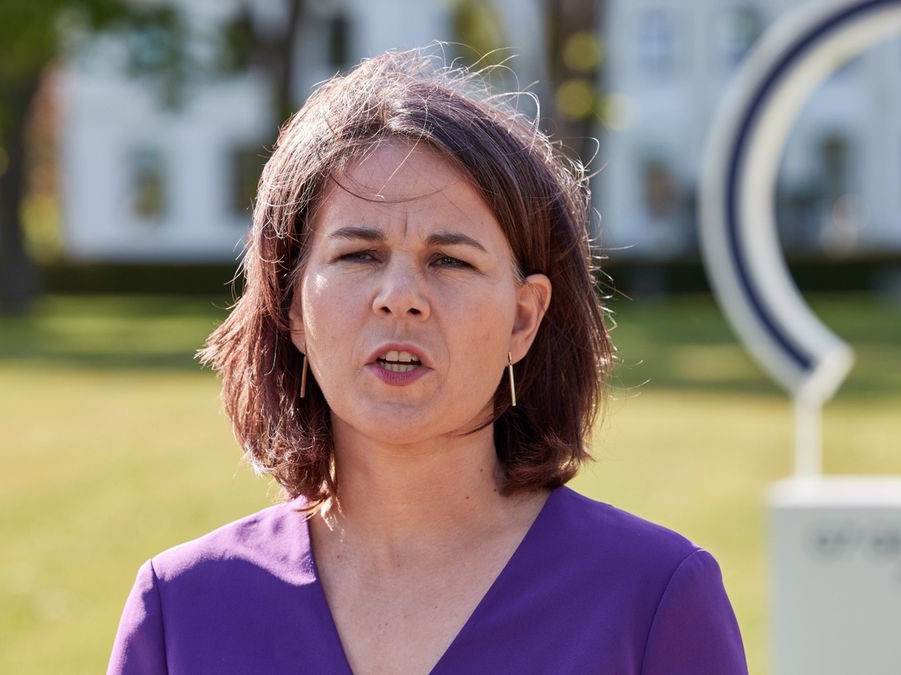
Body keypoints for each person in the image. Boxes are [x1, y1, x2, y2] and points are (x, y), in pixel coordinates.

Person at [107, 50, 748, 675]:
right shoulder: (182, 608)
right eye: (359, 255)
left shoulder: (653, 598)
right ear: (293, 305)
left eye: (450, 260)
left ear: (524, 318)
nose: (400, 299)